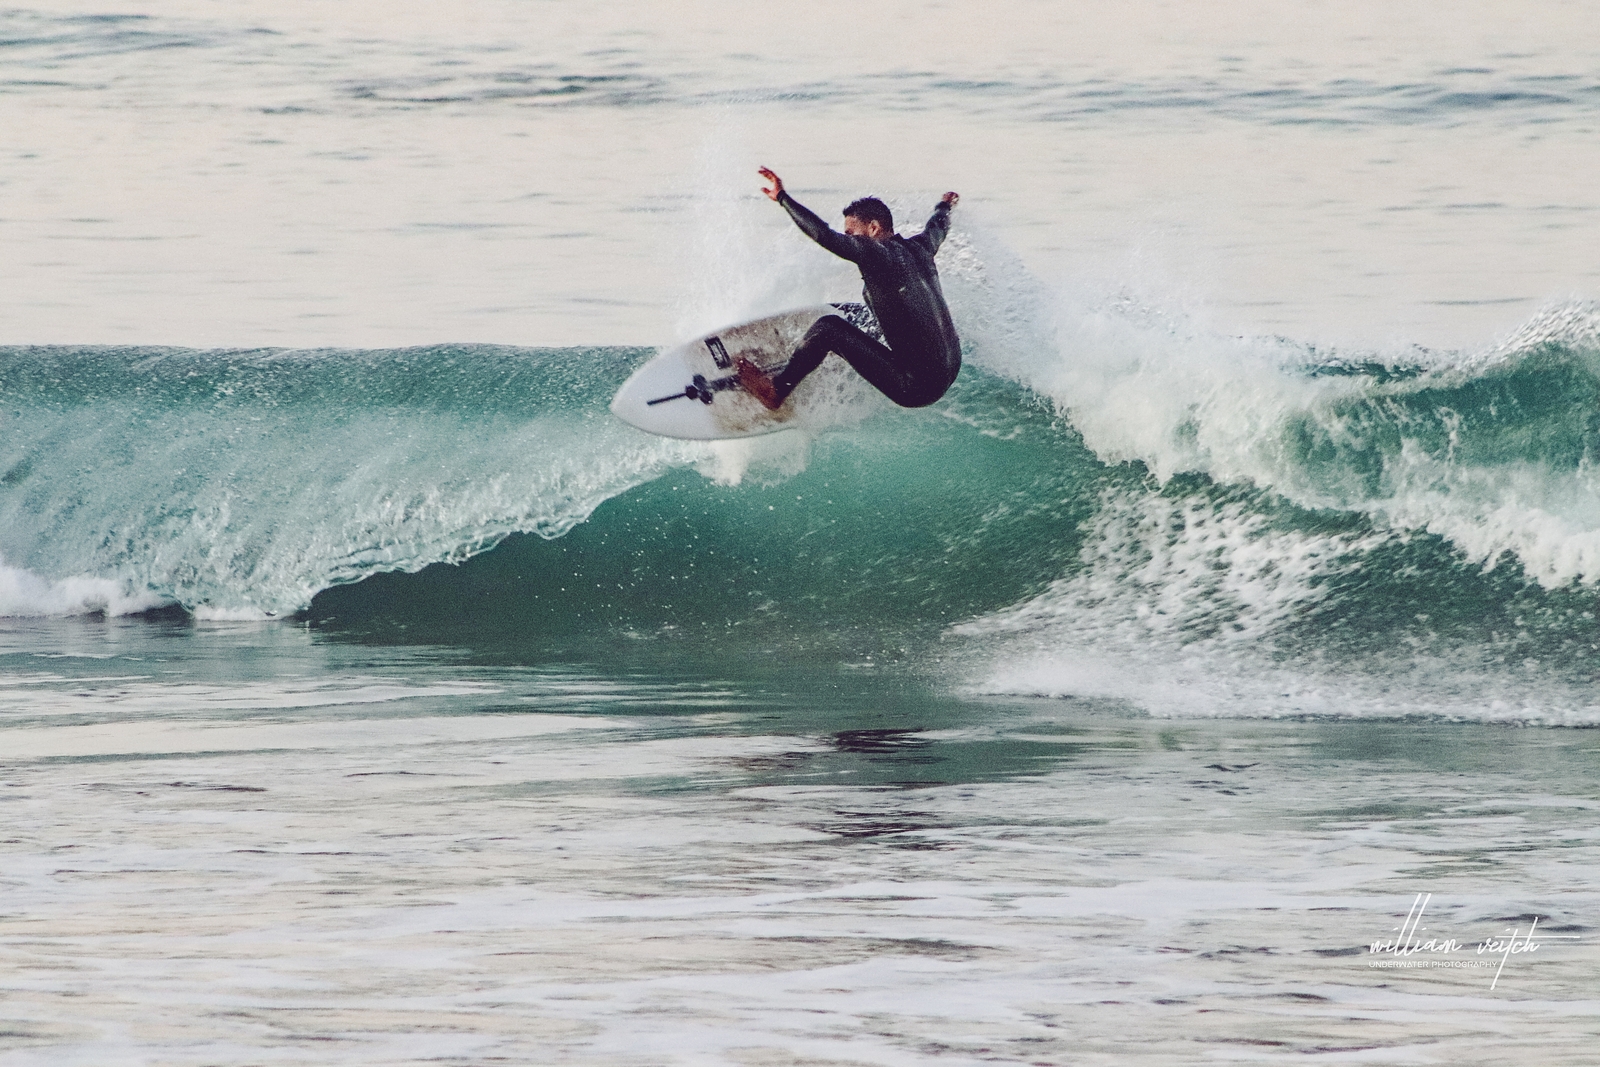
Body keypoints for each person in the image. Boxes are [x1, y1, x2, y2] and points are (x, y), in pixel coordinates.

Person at [736, 167, 961, 411]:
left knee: (828, 329)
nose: (850, 240)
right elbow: (937, 227)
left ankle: (775, 391)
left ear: (873, 228)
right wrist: (944, 206)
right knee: (871, 308)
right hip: (950, 369)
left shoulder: (878, 254)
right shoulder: (921, 247)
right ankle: (840, 352)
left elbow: (823, 235)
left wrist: (783, 198)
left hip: (916, 388)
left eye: (851, 233)